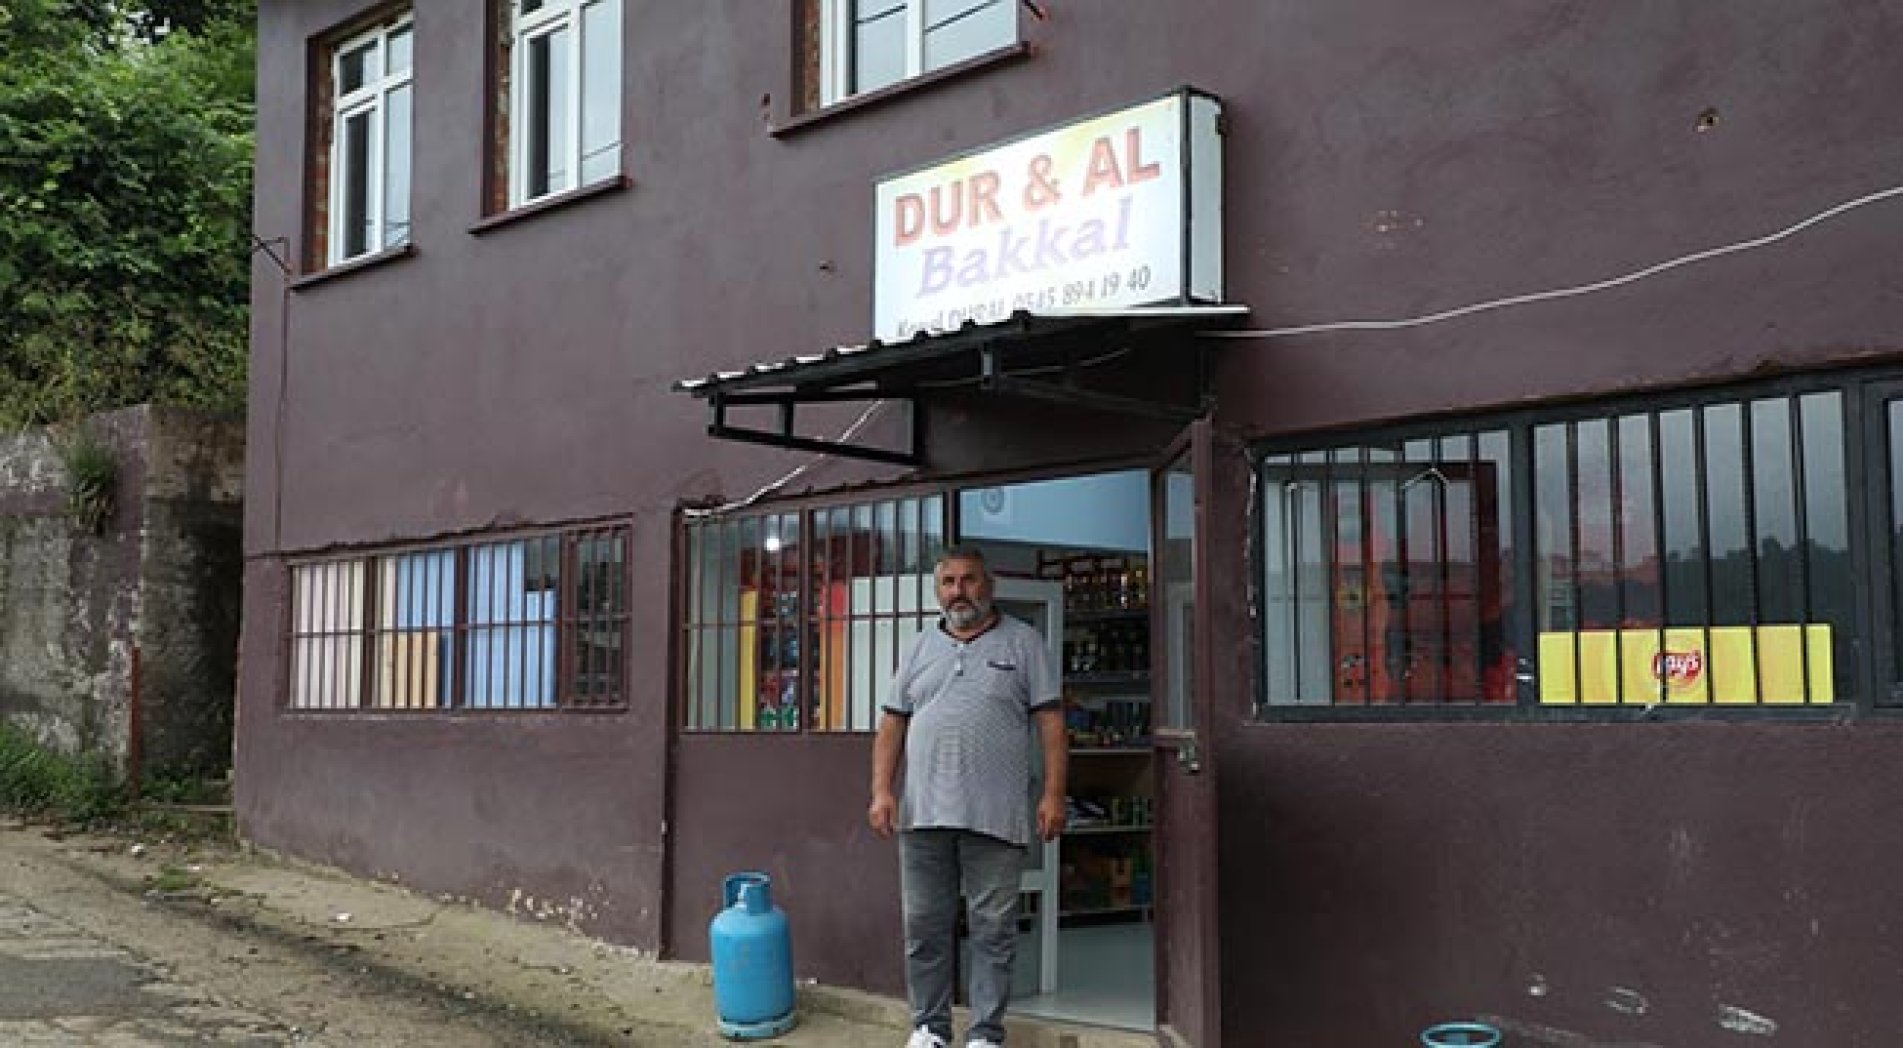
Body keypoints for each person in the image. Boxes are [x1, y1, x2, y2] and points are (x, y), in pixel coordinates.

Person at [869, 546, 1067, 1048]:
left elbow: (1051, 723)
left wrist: (1053, 794)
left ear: (989, 586)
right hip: (923, 814)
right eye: (949, 582)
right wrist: (882, 791)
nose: (959, 591)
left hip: (996, 816)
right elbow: (892, 723)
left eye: (970, 580)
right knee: (923, 927)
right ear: (938, 591)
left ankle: (984, 1034)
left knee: (993, 930)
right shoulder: (919, 647)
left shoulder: (1024, 643)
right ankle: (929, 1028)